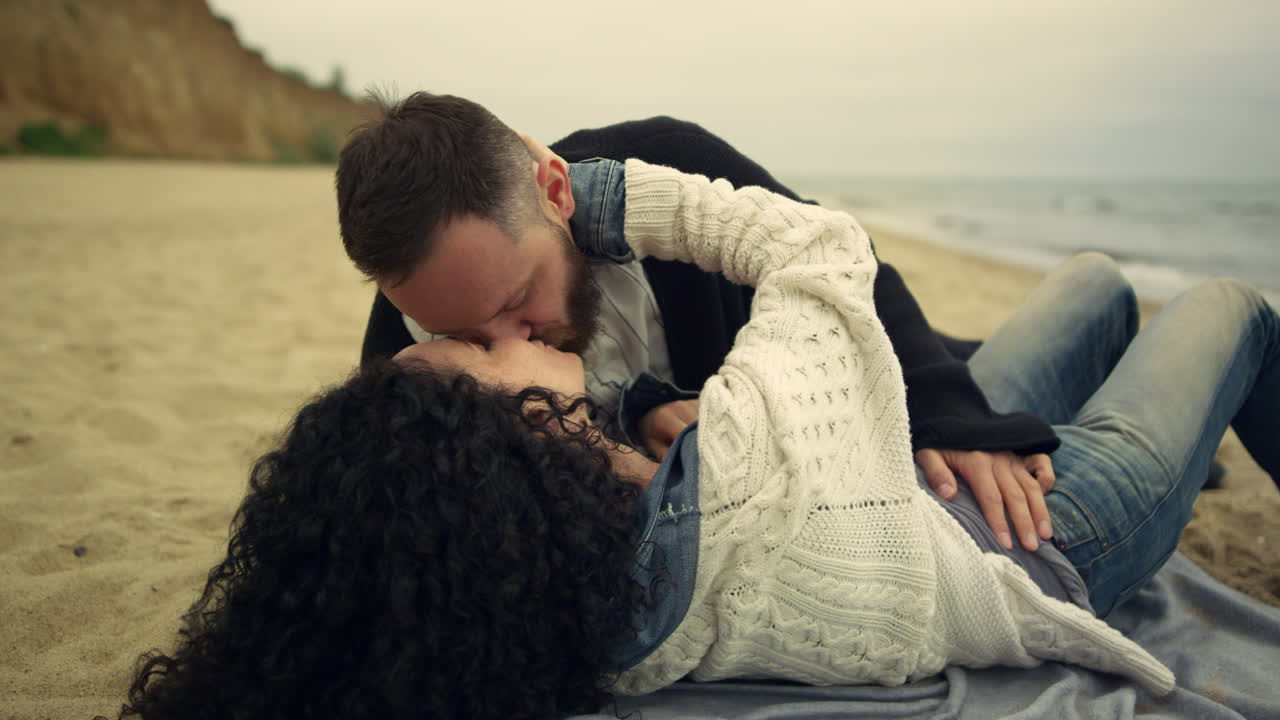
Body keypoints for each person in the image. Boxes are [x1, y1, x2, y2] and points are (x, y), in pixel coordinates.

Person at [112, 160, 1279, 719]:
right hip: (1031, 540)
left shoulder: (552, 583)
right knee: (1230, 307)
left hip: (896, 474)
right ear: (524, 438)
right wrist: (603, 198)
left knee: (1092, 283)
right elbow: (824, 247)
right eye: (475, 346)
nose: (505, 334)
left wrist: (629, 412)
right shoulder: (734, 479)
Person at [338, 92, 1062, 553]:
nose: (511, 347)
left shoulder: (669, 163)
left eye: (517, 300)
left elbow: (841, 265)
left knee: (1079, 315)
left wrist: (950, 418)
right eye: (464, 339)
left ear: (555, 193)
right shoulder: (412, 332)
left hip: (900, 372)